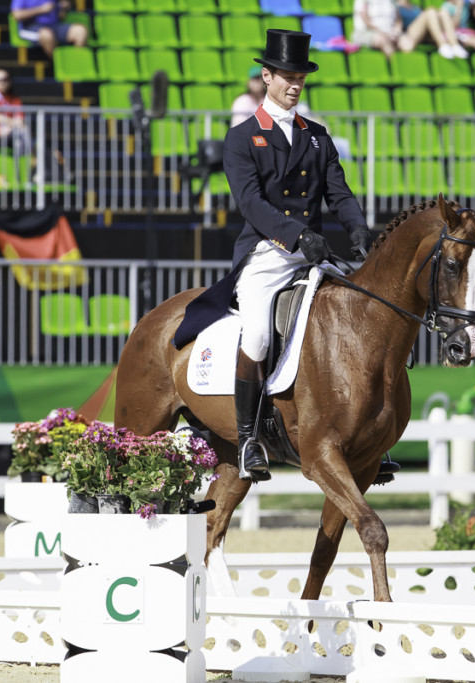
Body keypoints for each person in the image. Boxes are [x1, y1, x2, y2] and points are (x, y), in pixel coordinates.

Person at [172, 30, 372, 482]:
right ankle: (246, 440)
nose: (294, 83)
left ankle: (364, 436)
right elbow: (252, 204)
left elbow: (339, 193)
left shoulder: (318, 138)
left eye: (300, 76)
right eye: (286, 76)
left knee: (356, 318)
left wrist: (358, 227)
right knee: (259, 334)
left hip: (313, 254)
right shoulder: (242, 137)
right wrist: (298, 236)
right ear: (267, 76)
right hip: (267, 252)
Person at [353, 0, 466, 59]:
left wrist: (396, 30)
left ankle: (452, 44)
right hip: (377, 33)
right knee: (431, 12)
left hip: (397, 33)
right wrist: (383, 32)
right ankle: (394, 70)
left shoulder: (397, 3)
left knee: (442, 13)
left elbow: (397, 20)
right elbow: (364, 18)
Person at [10, 0, 88, 58]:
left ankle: (77, 61)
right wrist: (41, 9)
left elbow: (61, 15)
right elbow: (17, 15)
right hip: (31, 27)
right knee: (47, 34)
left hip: (55, 25)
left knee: (81, 30)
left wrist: (64, 8)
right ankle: (59, 64)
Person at [0, 68, 32, 155]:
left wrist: (8, 125)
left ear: (9, 82)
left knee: (21, 136)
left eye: (4, 79)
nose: (1, 82)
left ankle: (28, 161)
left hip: (11, 132)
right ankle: (33, 156)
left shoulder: (15, 99)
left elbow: (20, 120)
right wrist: (11, 122)